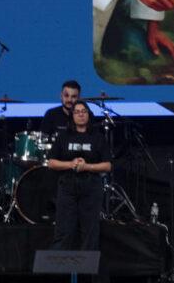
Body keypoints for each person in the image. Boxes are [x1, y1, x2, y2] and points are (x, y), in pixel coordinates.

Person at [48, 101, 112, 251]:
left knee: (90, 231)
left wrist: (87, 167)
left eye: (84, 111)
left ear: (89, 115)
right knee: (64, 229)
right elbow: (51, 163)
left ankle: (87, 272)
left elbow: (108, 166)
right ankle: (58, 271)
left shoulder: (98, 137)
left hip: (91, 186)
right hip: (68, 186)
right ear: (72, 116)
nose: (81, 114)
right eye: (77, 112)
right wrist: (71, 164)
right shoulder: (63, 136)